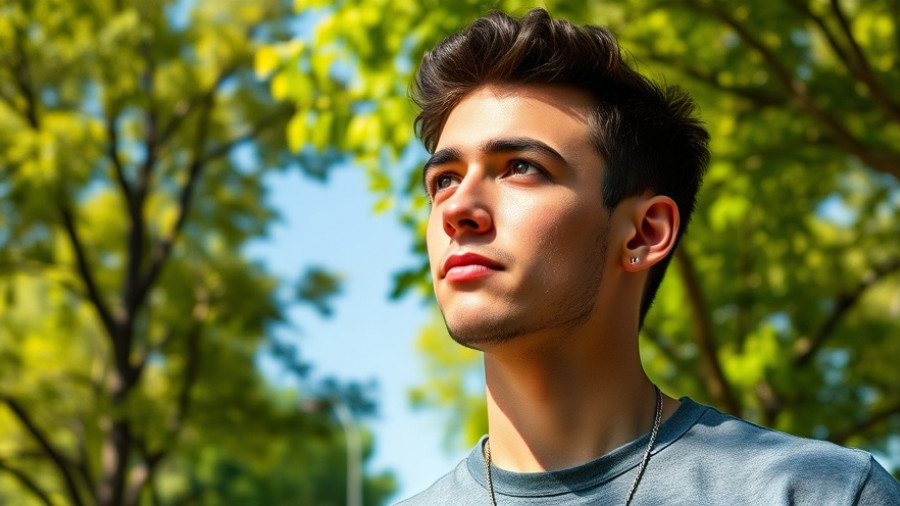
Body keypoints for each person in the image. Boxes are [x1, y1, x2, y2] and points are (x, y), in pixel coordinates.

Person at [397, 8, 900, 506]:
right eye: (444, 180)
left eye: (521, 168)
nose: (457, 208)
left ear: (643, 233)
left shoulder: (819, 493)